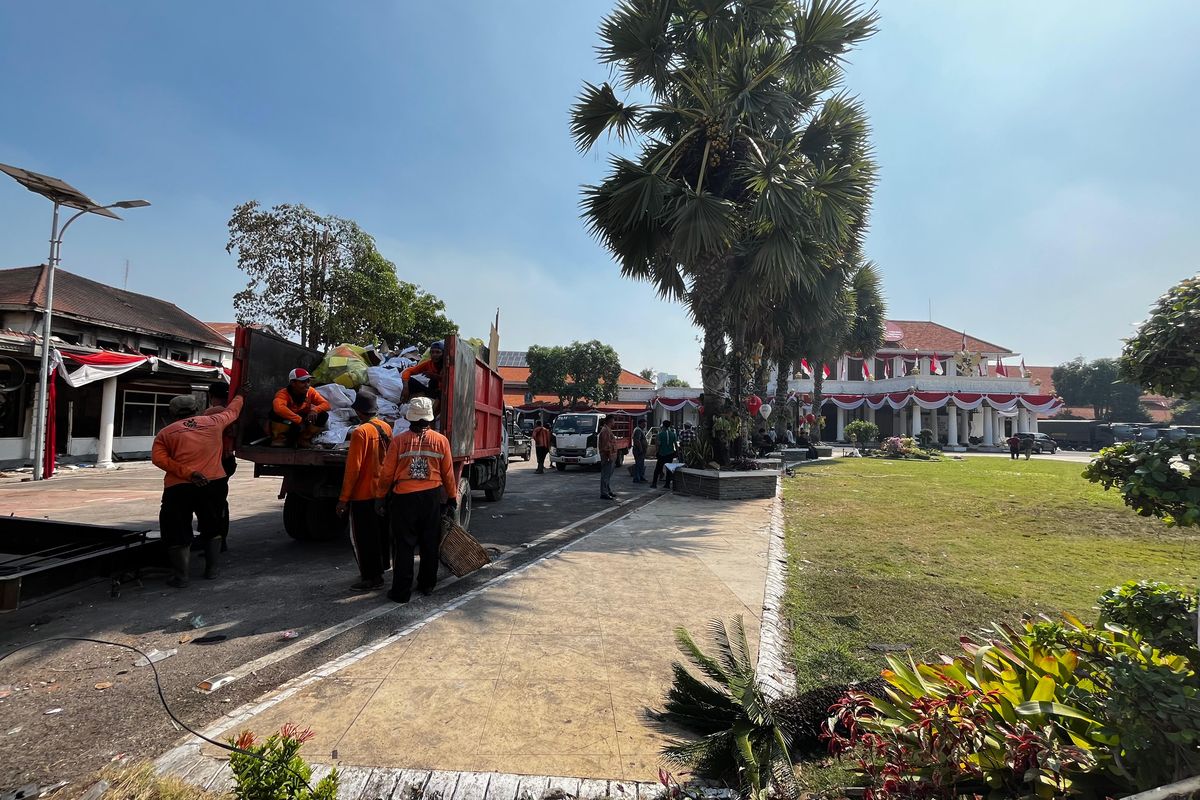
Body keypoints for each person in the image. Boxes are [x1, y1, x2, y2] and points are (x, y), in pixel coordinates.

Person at [152, 392, 244, 587]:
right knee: (213, 526)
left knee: (176, 528)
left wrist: (189, 473)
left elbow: (159, 459)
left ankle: (181, 576)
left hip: (179, 487)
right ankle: (212, 570)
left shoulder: (166, 433)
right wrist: (241, 395)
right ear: (196, 409)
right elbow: (233, 411)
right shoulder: (215, 422)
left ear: (173, 412)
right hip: (214, 483)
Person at [375, 396, 457, 604]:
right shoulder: (441, 441)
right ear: (429, 418)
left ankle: (401, 592)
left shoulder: (399, 441)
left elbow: (386, 474)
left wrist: (380, 497)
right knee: (430, 543)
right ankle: (427, 584)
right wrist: (453, 498)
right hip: (431, 498)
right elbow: (448, 474)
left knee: (404, 546)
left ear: (410, 418)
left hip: (404, 499)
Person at [337, 394, 393, 592]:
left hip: (362, 494)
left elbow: (354, 469)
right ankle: (382, 567)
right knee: (380, 534)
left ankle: (372, 577)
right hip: (381, 492)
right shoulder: (385, 427)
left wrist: (343, 499)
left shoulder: (360, 433)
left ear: (359, 411)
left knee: (363, 539)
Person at [201, 381, 238, 554]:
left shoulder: (212, 413)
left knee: (210, 504)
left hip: (214, 463)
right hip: (227, 461)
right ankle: (219, 540)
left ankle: (214, 541)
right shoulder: (231, 412)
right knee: (219, 501)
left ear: (210, 396)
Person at [270, 368, 330, 447]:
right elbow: (279, 408)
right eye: (303, 382)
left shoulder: (311, 391)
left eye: (308, 381)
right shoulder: (282, 394)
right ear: (293, 383)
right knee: (275, 414)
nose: (307, 385)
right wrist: (298, 420)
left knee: (323, 415)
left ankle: (304, 439)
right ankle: (279, 439)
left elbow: (326, 404)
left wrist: (315, 410)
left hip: (301, 421)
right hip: (290, 421)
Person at [650, 419, 678, 490]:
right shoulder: (673, 434)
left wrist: (656, 452)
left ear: (663, 425)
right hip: (670, 453)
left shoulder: (660, 434)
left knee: (657, 469)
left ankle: (654, 483)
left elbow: (658, 445)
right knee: (669, 469)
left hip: (662, 454)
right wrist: (677, 452)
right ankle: (667, 484)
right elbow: (675, 444)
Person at [598, 416, 617, 500]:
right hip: (607, 456)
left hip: (610, 455)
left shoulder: (607, 430)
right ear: (610, 421)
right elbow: (606, 446)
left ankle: (607, 490)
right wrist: (609, 456)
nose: (614, 423)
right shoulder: (605, 431)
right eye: (613, 421)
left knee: (608, 475)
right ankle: (604, 493)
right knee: (605, 475)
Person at [631, 419, 648, 483]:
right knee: (638, 464)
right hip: (638, 450)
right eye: (644, 424)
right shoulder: (638, 430)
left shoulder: (640, 430)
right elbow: (637, 440)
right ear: (641, 423)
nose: (645, 425)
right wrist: (640, 449)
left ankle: (641, 476)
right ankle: (636, 478)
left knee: (641, 464)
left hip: (641, 450)